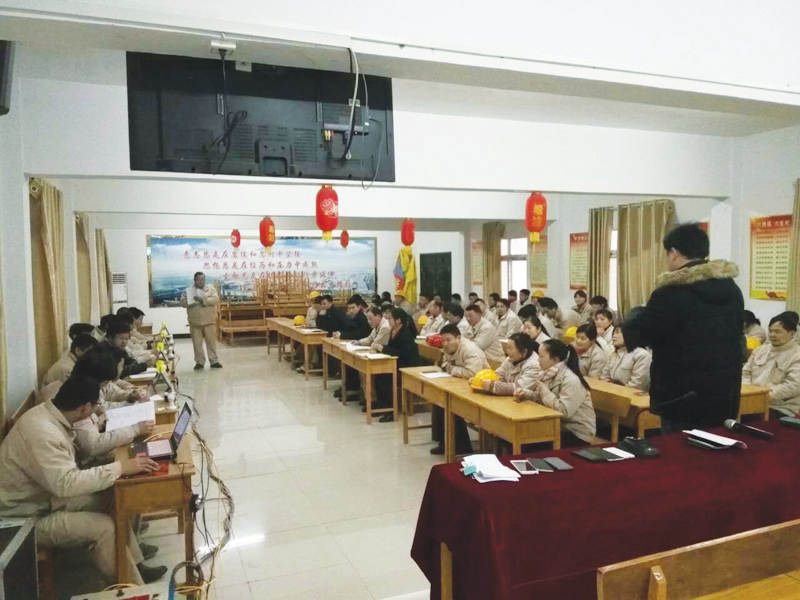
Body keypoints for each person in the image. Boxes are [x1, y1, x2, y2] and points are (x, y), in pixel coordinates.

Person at [0, 376, 166, 585]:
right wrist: (120, 467)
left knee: (114, 500)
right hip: (24, 517)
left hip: (44, 498)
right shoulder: (42, 432)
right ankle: (132, 588)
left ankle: (136, 566)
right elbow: (66, 484)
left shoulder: (50, 415)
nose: (95, 414)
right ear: (84, 408)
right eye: (94, 408)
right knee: (104, 528)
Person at [625, 223, 744, 431]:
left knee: (680, 449)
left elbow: (642, 334)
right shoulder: (732, 289)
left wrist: (636, 314)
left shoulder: (671, 292)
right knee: (716, 446)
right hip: (724, 393)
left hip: (682, 396)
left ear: (674, 253)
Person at [518, 339, 596, 445]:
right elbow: (542, 399)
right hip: (557, 426)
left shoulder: (571, 379)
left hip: (576, 432)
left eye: (541, 356)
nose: (538, 360)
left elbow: (564, 412)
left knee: (527, 440)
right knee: (522, 434)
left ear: (555, 359)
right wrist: (527, 394)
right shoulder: (548, 372)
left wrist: (545, 391)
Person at [430, 324, 489, 455]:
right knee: (439, 400)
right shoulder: (449, 348)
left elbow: (472, 373)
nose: (445, 344)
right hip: (460, 384)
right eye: (443, 340)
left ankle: (462, 446)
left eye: (448, 340)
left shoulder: (470, 350)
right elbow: (445, 363)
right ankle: (444, 442)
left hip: (479, 389)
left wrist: (451, 369)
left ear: (458, 337)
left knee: (452, 404)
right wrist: (450, 368)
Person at [742, 312, 800, 418]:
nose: (772, 335)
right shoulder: (760, 350)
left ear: (792, 333)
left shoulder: (797, 355)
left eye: (777, 332)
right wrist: (748, 393)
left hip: (780, 407)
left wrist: (760, 396)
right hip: (750, 400)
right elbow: (745, 372)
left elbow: (793, 386)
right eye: (770, 331)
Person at [374, 308, 422, 422]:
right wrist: (382, 349)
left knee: (386, 379)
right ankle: (383, 406)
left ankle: (391, 411)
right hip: (397, 363)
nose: (388, 321)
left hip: (407, 366)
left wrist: (383, 349)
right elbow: (393, 349)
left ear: (398, 320)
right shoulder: (393, 331)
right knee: (378, 375)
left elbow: (402, 353)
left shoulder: (405, 333)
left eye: (390, 318)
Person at [181, 271, 221, 370]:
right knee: (197, 343)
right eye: (199, 279)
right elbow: (182, 303)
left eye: (203, 279)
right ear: (195, 280)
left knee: (211, 342)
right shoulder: (188, 291)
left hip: (209, 321)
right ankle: (199, 362)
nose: (201, 281)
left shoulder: (211, 289)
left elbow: (216, 299)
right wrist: (192, 300)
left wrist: (204, 300)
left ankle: (214, 361)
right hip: (195, 322)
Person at [602, 322, 651, 391]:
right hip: (611, 392)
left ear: (629, 334)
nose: (614, 336)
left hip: (629, 395)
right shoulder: (613, 353)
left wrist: (615, 389)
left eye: (617, 332)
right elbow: (604, 376)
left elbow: (637, 385)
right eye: (613, 333)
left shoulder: (641, 355)